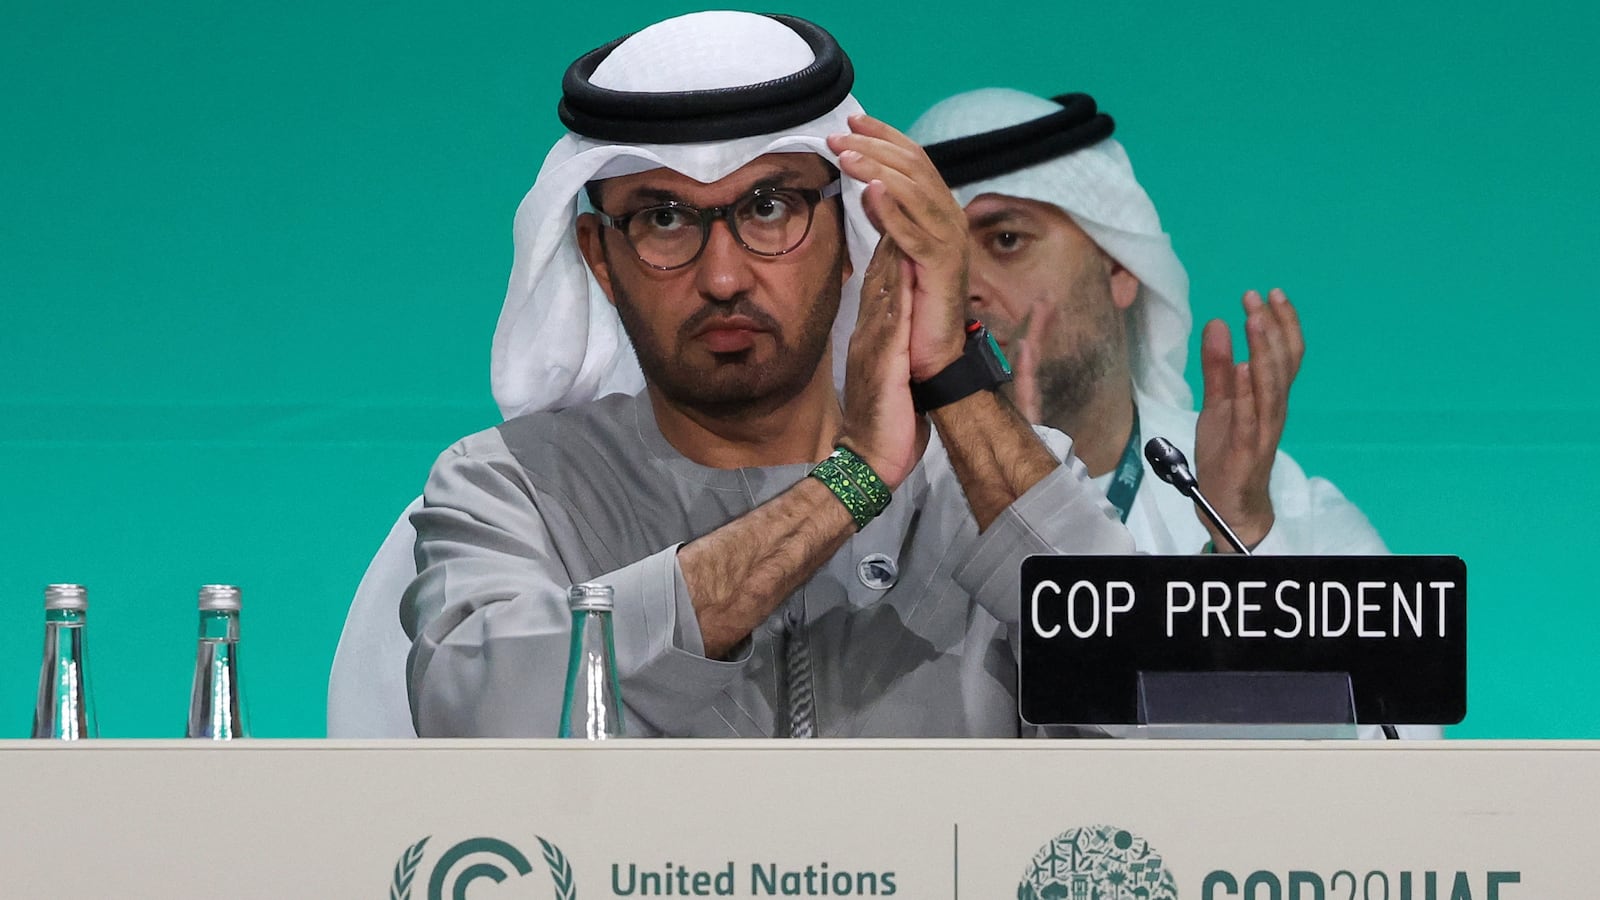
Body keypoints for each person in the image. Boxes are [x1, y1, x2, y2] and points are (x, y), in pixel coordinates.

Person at [398, 13, 1135, 739]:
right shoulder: (513, 487)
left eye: (770, 208)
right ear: (599, 255)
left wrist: (950, 377)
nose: (722, 277)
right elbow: (480, 714)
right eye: (663, 219)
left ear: (846, 232)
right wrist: (850, 484)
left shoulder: (973, 482)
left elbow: (1154, 708)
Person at [908, 89, 1440, 739]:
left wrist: (1240, 536)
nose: (965, 288)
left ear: (1118, 269)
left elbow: (1398, 772)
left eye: (1007, 239)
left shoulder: (1281, 511)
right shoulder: (885, 517)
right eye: (935, 260)